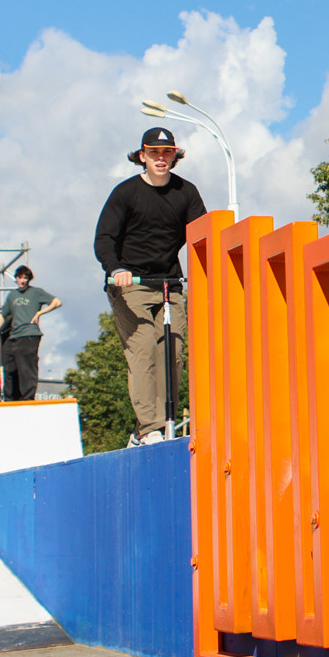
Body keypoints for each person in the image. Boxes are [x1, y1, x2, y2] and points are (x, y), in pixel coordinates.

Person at [95, 127, 208, 443]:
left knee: (172, 350)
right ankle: (150, 428)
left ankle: (158, 424)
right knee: (143, 345)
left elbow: (201, 237)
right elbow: (105, 238)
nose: (161, 158)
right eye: (154, 153)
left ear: (175, 155)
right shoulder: (126, 193)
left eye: (167, 152)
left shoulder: (186, 192)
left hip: (169, 283)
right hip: (131, 284)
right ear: (142, 156)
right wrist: (115, 268)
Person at [0, 265, 60, 403]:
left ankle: (28, 398)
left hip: (29, 335)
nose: (22, 281)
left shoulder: (36, 292)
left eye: (25, 278)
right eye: (20, 278)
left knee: (26, 368)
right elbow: (3, 315)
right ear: (16, 279)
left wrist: (40, 312)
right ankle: (10, 398)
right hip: (14, 336)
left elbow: (57, 302)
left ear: (29, 279)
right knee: (6, 366)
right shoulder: (13, 295)